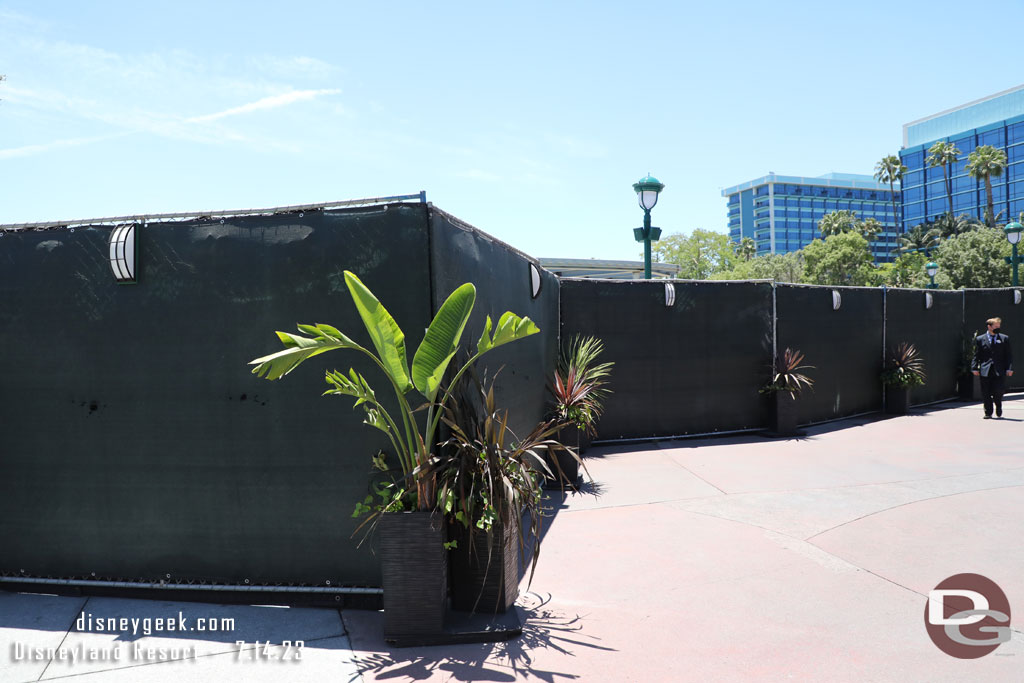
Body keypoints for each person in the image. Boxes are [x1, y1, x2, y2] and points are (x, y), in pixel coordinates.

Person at [972, 317, 1014, 419]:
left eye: (999, 326)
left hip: (1000, 370)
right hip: (986, 370)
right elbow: (976, 355)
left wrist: (1009, 368)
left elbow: (1008, 355)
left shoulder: (1004, 338)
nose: (998, 328)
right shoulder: (980, 339)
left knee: (998, 391)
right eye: (995, 326)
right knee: (985, 392)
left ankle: (998, 407)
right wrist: (974, 368)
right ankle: (988, 412)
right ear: (989, 327)